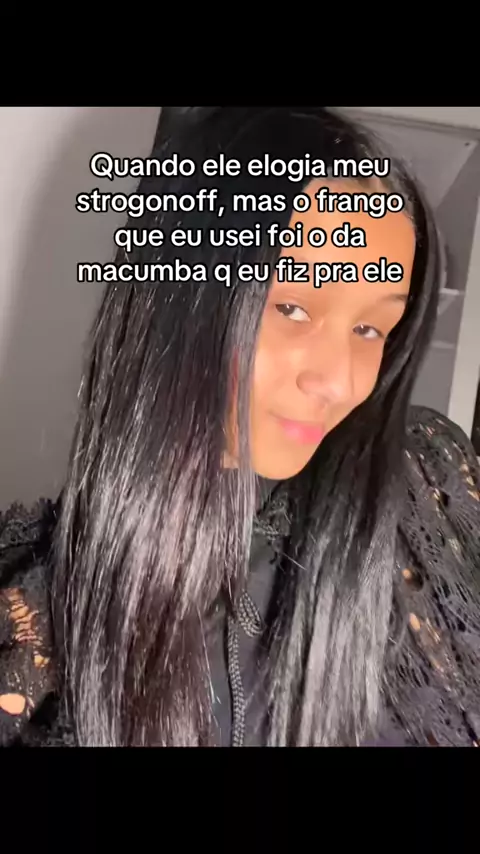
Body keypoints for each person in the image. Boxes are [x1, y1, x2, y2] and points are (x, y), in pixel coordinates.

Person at [1, 106, 480, 748]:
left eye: (370, 328)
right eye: (292, 306)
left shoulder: (430, 486)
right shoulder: (33, 605)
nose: (339, 382)